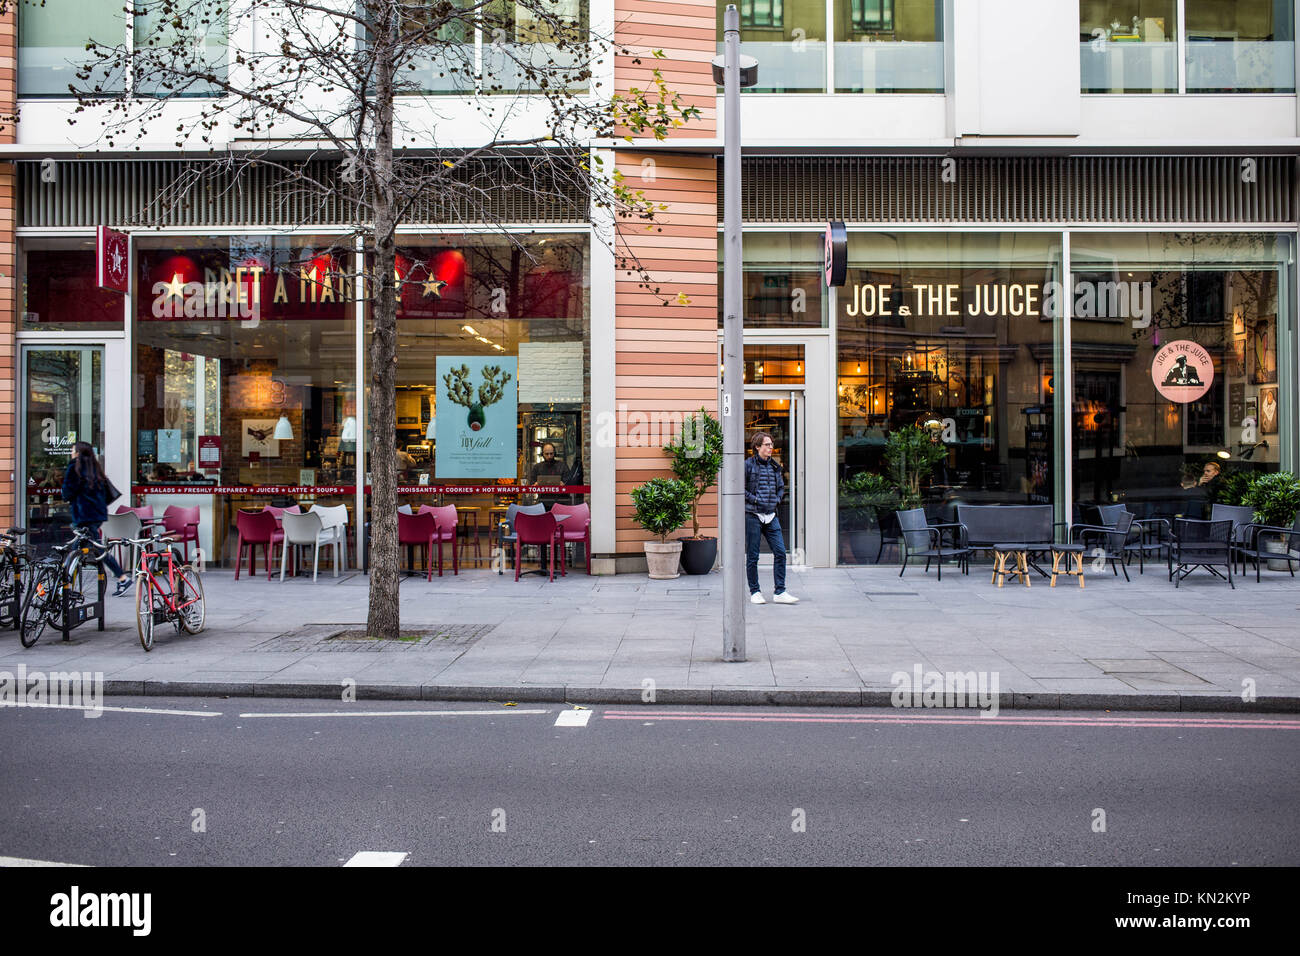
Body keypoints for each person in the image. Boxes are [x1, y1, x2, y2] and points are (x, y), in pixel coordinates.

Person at [62, 442, 132, 596]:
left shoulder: (74, 468)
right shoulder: (96, 469)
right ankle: (66, 585)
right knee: (84, 549)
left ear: (78, 453)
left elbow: (66, 493)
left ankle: (122, 578)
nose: (71, 453)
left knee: (89, 550)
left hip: (82, 516)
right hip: (96, 516)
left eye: (73, 451)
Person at [744, 431, 798, 605]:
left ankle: (780, 591)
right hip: (753, 515)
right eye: (767, 444)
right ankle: (755, 592)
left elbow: (781, 487)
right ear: (757, 447)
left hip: (771, 515)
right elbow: (740, 488)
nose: (770, 447)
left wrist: (776, 499)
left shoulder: (775, 467)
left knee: (781, 552)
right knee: (753, 556)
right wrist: (755, 499)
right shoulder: (747, 465)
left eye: (771, 444)